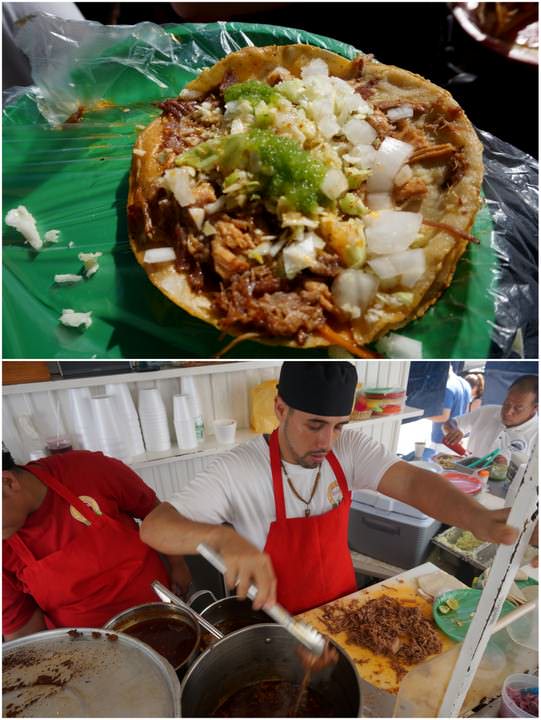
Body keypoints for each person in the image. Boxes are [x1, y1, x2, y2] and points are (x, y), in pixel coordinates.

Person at [141, 362, 518, 615]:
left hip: (343, 609)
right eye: (315, 424)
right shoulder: (239, 468)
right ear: (281, 408)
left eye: (338, 426)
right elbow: (155, 526)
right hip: (277, 624)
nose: (327, 441)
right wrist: (221, 540)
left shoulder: (349, 450)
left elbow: (412, 481)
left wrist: (475, 518)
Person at [3, 448, 192, 640]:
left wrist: (178, 564)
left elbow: (153, 511)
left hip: (160, 614)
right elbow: (22, 626)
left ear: (8, 483)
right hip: (89, 649)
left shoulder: (88, 469)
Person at [443, 375, 538, 458]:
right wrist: (453, 430)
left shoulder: (537, 435)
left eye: (518, 408)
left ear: (535, 408)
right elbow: (451, 423)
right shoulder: (487, 411)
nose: (509, 412)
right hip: (467, 476)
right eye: (507, 403)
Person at [428, 366, 472, 451]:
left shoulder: (447, 388)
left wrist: (420, 415)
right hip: (457, 438)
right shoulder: (464, 383)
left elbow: (443, 417)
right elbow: (466, 410)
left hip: (443, 440)